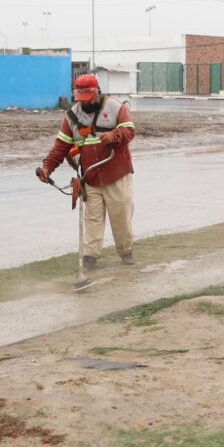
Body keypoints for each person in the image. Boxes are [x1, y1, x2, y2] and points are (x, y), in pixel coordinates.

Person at [38, 74, 136, 290]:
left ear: (97, 91)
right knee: (91, 218)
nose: (84, 102)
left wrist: (114, 136)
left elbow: (130, 131)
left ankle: (126, 253)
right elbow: (60, 147)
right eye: (80, 97)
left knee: (120, 217)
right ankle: (90, 259)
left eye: (88, 97)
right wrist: (47, 168)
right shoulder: (71, 116)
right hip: (90, 176)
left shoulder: (115, 107)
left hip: (116, 173)